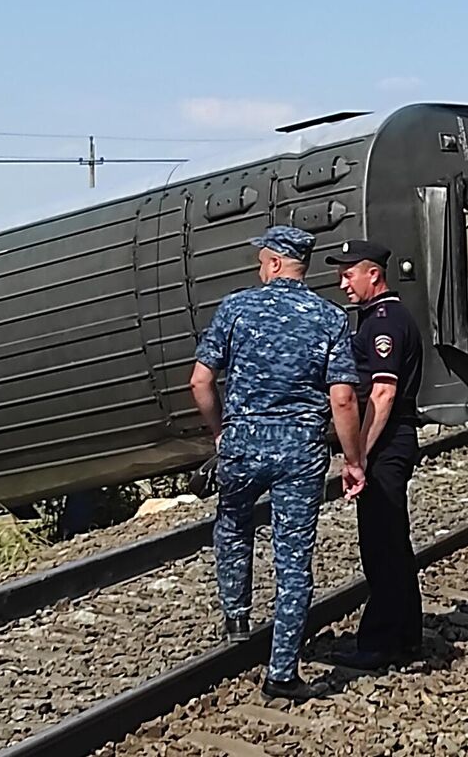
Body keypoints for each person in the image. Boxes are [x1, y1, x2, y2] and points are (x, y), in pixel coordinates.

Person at [191, 225, 367, 700]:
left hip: (243, 443)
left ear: (271, 263)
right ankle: (283, 672)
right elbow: (345, 399)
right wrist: (354, 460)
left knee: (232, 526)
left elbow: (200, 383)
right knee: (293, 559)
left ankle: (236, 616)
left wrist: (220, 431)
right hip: (299, 451)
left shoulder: (236, 308)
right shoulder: (330, 318)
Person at [325, 238, 426, 669]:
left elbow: (382, 394)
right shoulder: (376, 318)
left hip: (386, 441)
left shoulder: (383, 323)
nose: (343, 284)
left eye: (349, 275)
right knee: (391, 542)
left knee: (381, 544)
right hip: (389, 440)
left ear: (373, 274)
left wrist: (359, 456)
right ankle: (405, 634)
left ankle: (381, 642)